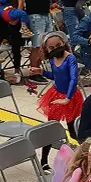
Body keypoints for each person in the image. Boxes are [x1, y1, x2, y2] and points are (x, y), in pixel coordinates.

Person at [32, 32, 84, 170]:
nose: (56, 49)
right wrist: (41, 72)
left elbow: (73, 79)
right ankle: (43, 160)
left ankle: (85, 153)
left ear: (64, 44)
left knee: (73, 129)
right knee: (51, 128)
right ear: (47, 49)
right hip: (56, 96)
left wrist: (67, 98)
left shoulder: (70, 58)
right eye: (51, 47)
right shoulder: (52, 59)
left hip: (70, 96)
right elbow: (55, 76)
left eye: (58, 45)